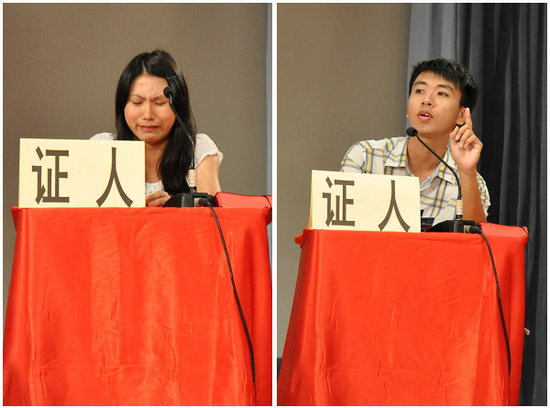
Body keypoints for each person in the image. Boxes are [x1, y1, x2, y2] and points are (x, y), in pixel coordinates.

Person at [341, 57, 490, 227]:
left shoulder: (473, 182)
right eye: (419, 91)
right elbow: (339, 232)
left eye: (441, 93)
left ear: (462, 115)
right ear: (408, 106)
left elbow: (475, 240)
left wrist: (467, 171)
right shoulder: (365, 158)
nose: (426, 100)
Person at [92, 50, 222, 207]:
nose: (148, 115)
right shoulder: (102, 147)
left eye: (160, 103)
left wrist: (175, 208)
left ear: (178, 105)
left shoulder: (197, 150)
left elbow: (215, 217)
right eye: (137, 102)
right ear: (122, 106)